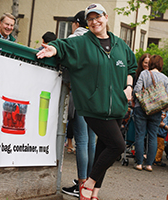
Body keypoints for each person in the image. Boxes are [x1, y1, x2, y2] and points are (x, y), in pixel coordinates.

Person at [36, 3, 137, 200]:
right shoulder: (83, 42)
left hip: (117, 106)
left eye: (98, 17)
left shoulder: (120, 45)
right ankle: (88, 184)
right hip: (93, 106)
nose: (94, 21)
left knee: (102, 149)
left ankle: (94, 193)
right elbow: (63, 45)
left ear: (106, 18)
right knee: (117, 146)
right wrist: (52, 50)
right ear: (87, 23)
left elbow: (131, 66)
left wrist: (129, 87)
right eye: (90, 19)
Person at [61, 10, 96, 198]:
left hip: (79, 92)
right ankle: (89, 181)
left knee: (81, 140)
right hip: (95, 94)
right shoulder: (95, 39)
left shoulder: (74, 39)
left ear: (76, 23)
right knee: (91, 140)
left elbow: (66, 67)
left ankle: (82, 184)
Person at [133, 55, 168, 172]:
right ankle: (149, 165)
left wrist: (140, 99)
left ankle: (138, 163)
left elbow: (137, 89)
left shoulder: (144, 74)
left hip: (141, 108)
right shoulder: (165, 78)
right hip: (157, 111)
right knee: (153, 136)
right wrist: (163, 111)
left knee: (140, 135)